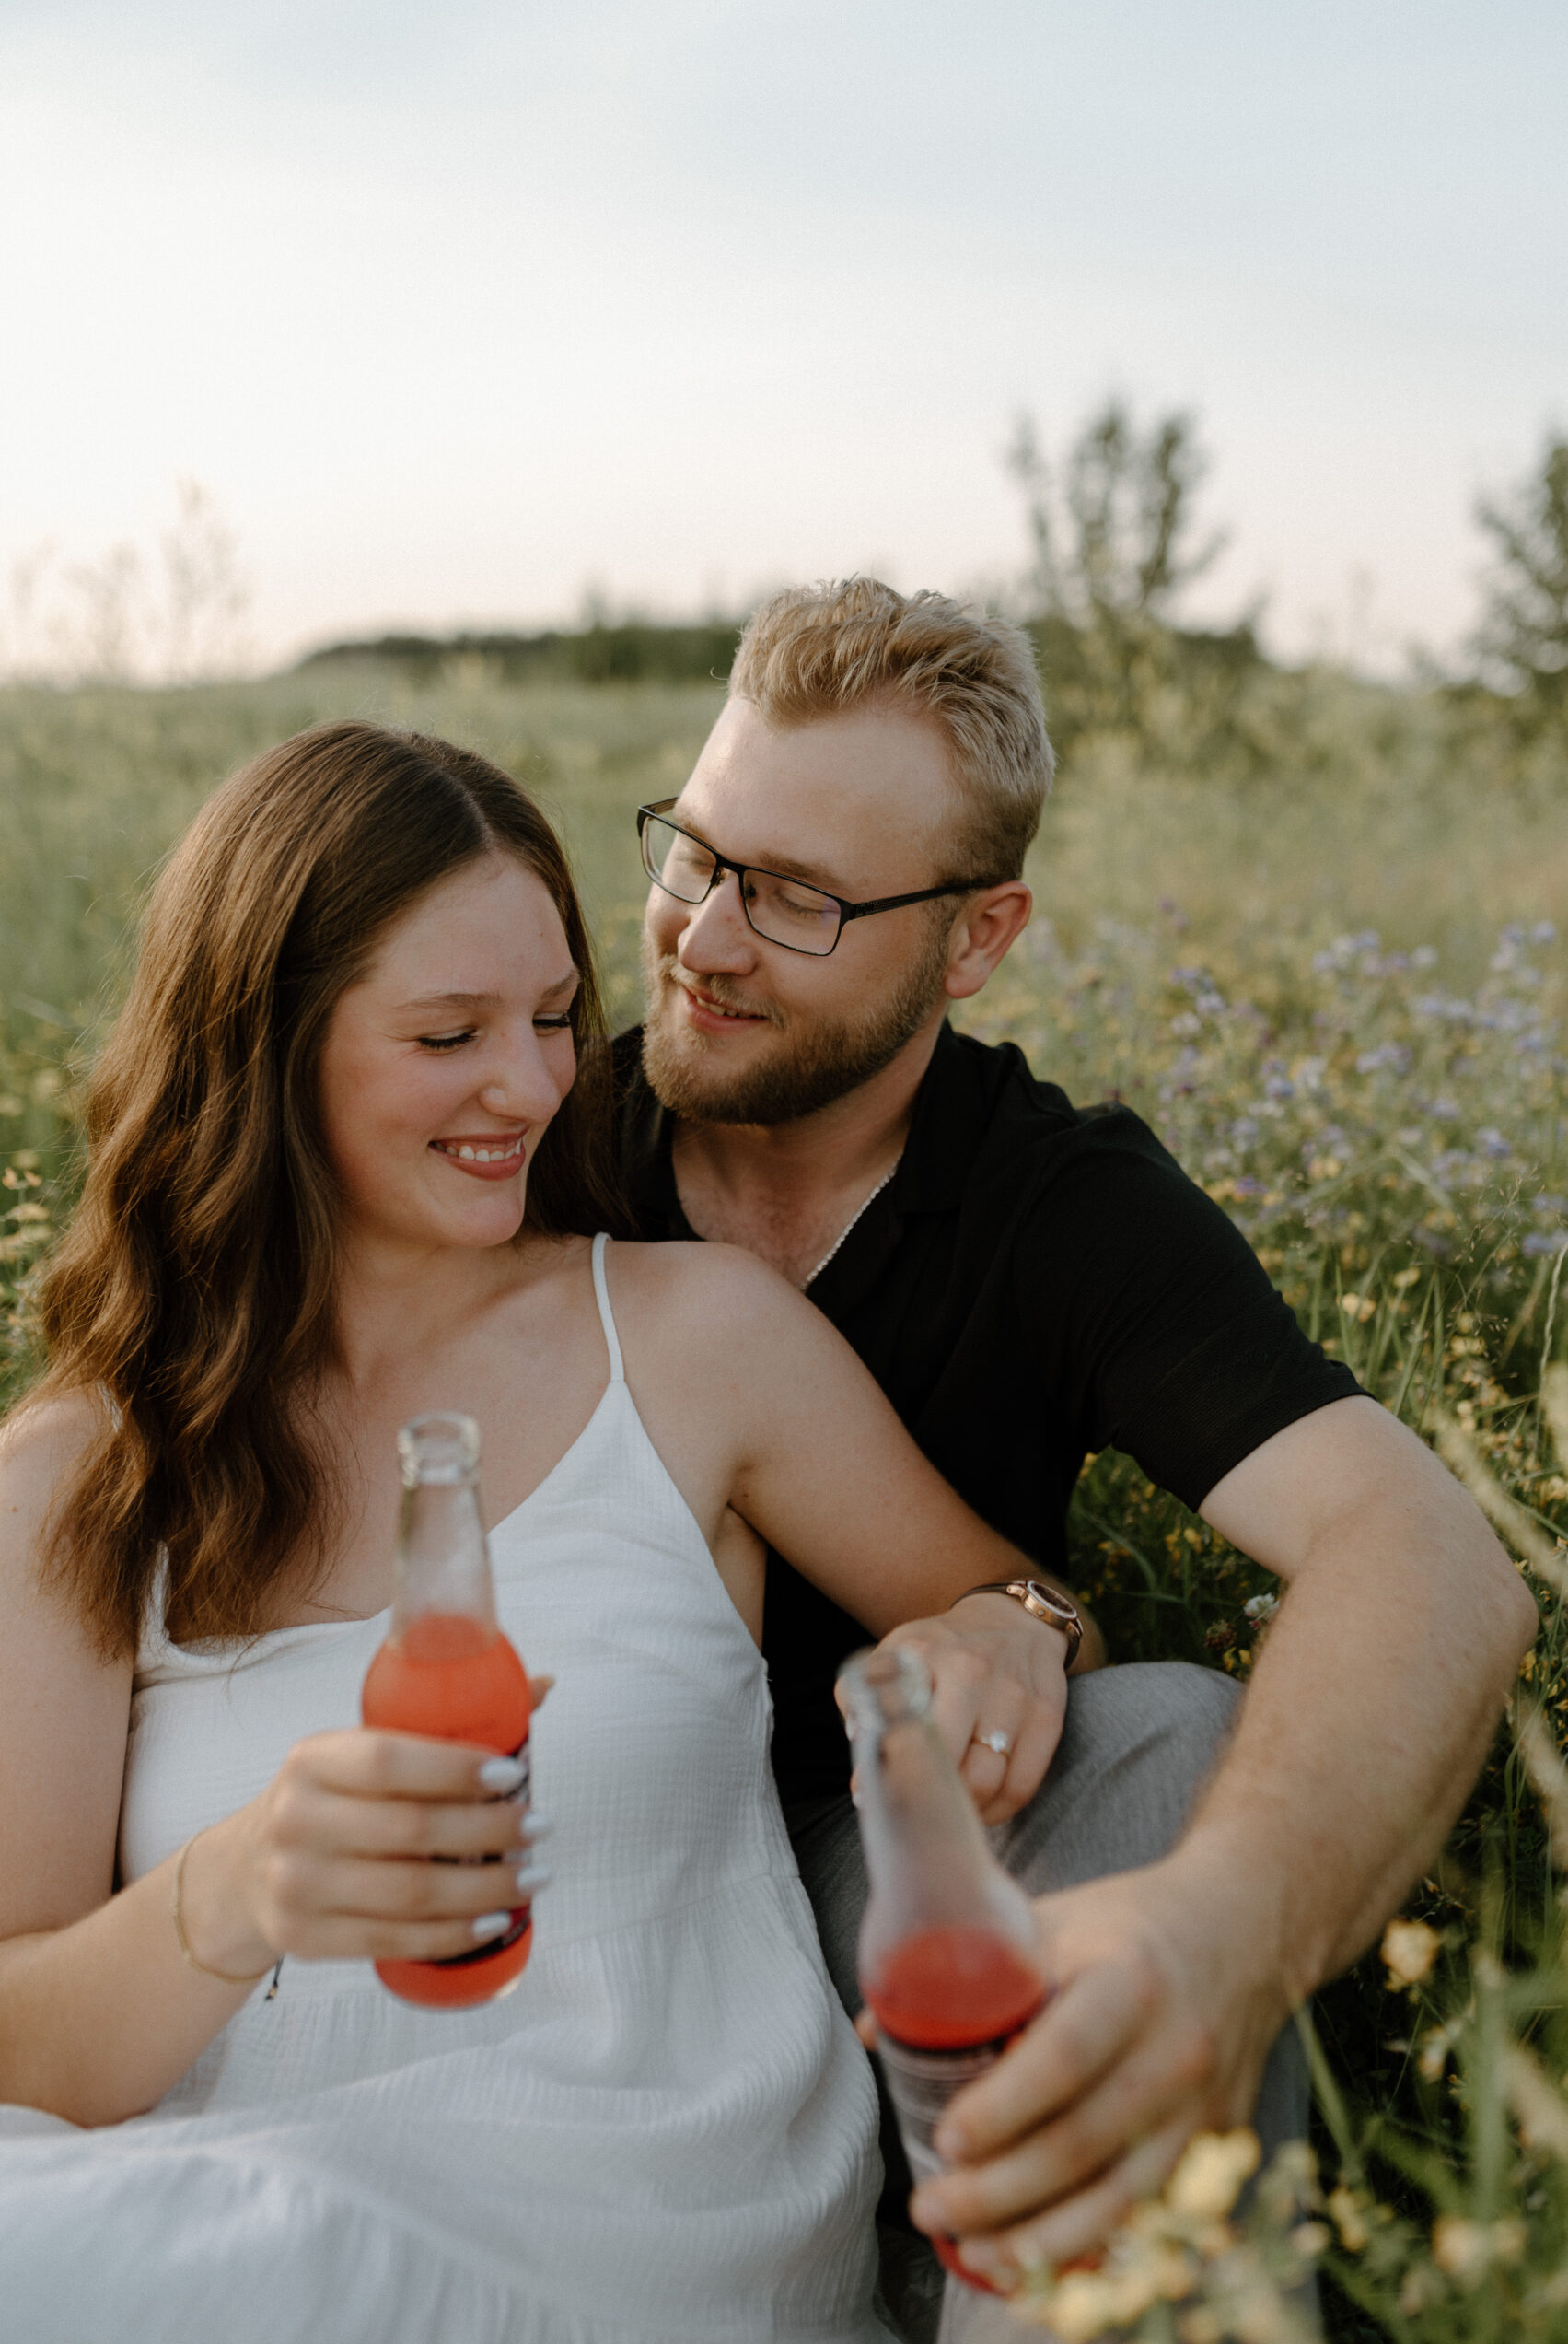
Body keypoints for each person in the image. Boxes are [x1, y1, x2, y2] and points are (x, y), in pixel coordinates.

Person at [0, 722, 1080, 2344]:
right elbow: (21, 2058)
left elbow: (1010, 1601)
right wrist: (228, 1896)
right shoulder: (82, 1474)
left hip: (634, 2224)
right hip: (201, 2205)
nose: (535, 1082)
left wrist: (1017, 1622)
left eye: (559, 1017)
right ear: (263, 1048)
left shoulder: (692, 1339)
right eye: (449, 1033)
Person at [616, 577, 1538, 2316]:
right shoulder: (518, 1140)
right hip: (586, 1895)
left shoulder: (1059, 1204)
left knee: (1168, 1735)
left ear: (975, 940)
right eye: (697, 850)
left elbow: (1432, 1556)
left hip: (888, 1901)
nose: (706, 938)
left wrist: (1226, 1930)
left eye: (802, 898)